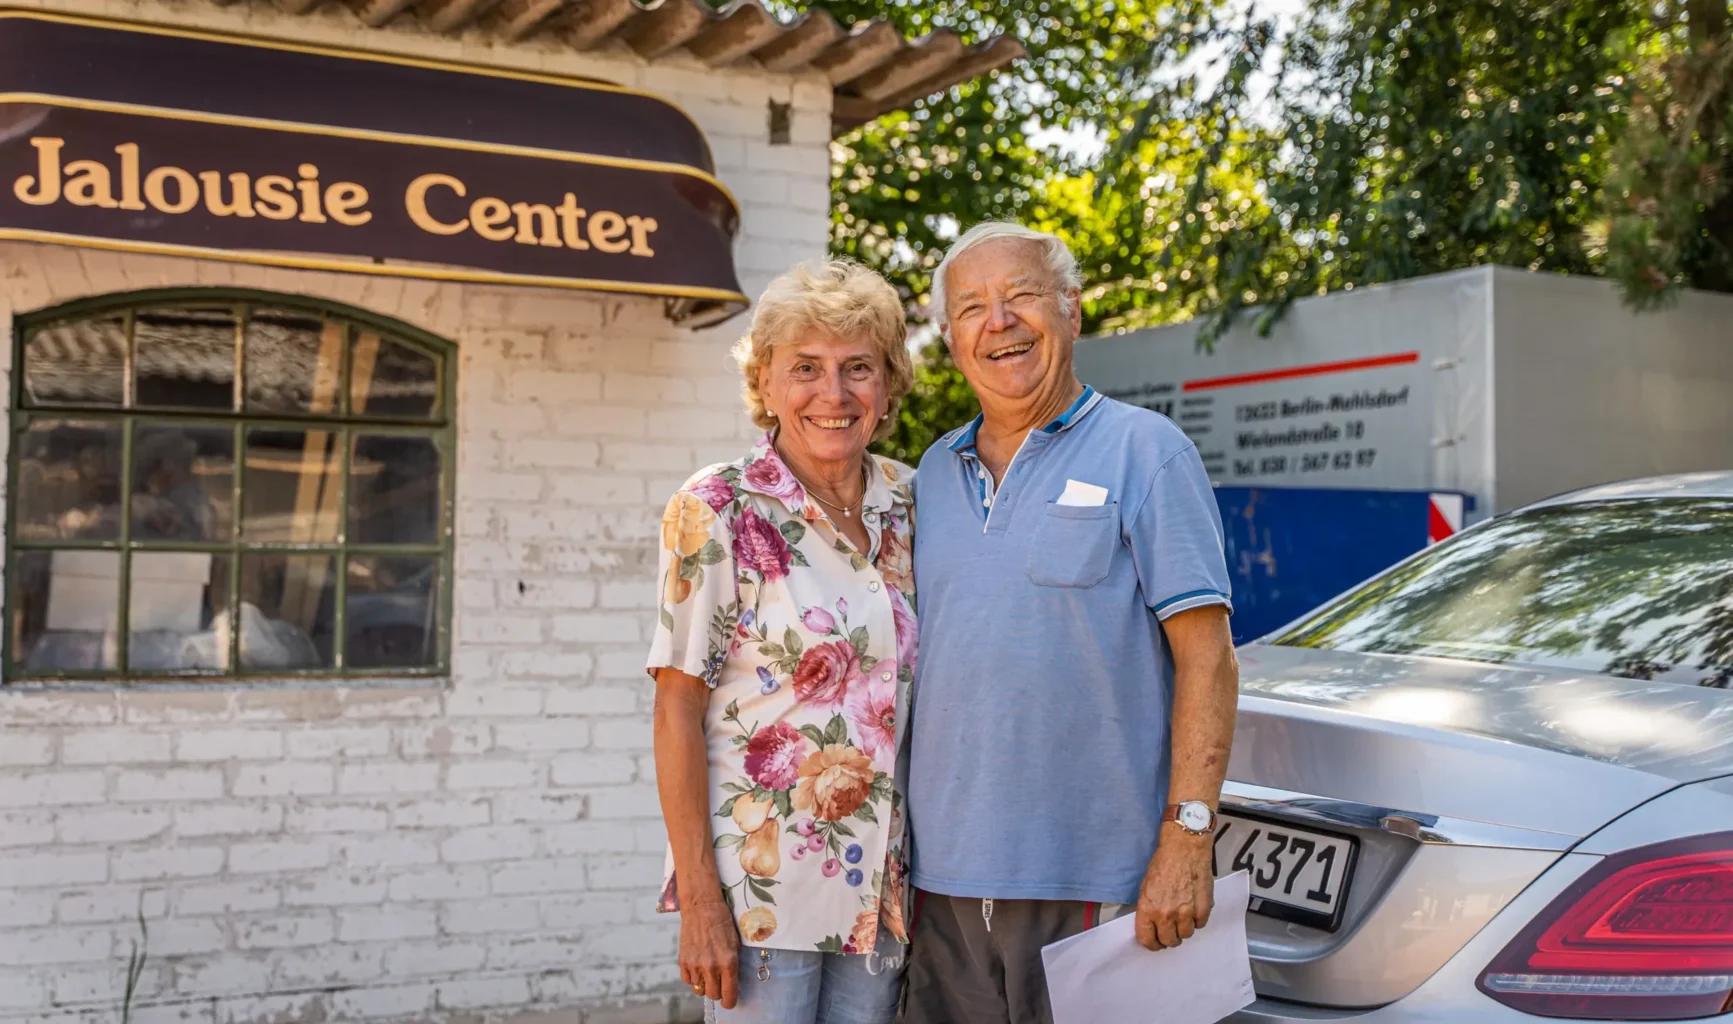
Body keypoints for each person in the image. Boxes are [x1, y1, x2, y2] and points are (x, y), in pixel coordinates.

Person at [903, 222, 1240, 1024]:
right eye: (972, 307)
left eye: (1021, 295)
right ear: (951, 340)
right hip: (940, 884)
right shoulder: (928, 475)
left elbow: (1209, 660)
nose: (999, 321)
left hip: (1100, 884)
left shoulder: (1146, 451)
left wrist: (1186, 839)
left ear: (1071, 312)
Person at [647, 260, 919, 1023]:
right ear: (765, 383)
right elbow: (675, 712)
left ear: (888, 384)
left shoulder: (912, 500)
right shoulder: (716, 508)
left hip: (882, 889)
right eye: (805, 368)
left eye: (856, 368)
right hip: (761, 895)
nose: (832, 395)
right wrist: (698, 900)